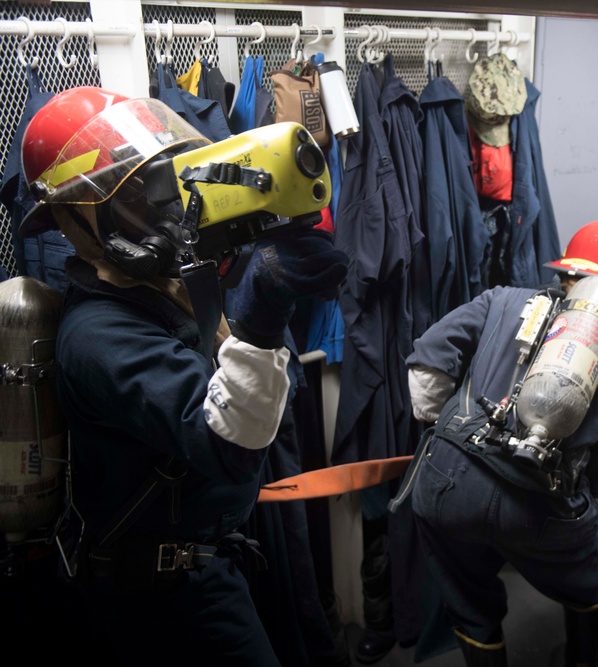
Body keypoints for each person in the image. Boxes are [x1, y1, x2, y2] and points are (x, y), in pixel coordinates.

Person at [16, 86, 349, 664]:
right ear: (76, 223)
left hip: (209, 559)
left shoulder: (165, 295)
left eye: (167, 185)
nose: (168, 211)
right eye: (138, 198)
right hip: (159, 595)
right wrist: (265, 313)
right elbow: (229, 442)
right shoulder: (99, 335)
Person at [398, 218, 598, 667]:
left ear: (566, 274)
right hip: (541, 509)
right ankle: (583, 658)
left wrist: (453, 433)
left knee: (468, 597)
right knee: (585, 583)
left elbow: (427, 366)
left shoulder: (499, 300)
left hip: (446, 485)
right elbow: (597, 475)